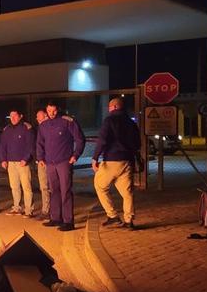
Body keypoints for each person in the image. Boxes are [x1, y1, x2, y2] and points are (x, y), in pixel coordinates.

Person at [92, 97, 141, 229]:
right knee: (127, 192)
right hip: (127, 161)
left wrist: (95, 157)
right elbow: (138, 143)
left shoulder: (109, 120)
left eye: (109, 107)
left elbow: (102, 140)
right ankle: (129, 220)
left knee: (100, 186)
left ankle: (113, 216)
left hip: (112, 160)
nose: (108, 109)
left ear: (114, 107)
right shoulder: (131, 123)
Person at [36, 102, 85, 232]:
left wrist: (76, 155)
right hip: (50, 163)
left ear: (58, 110)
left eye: (54, 111)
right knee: (54, 191)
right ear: (46, 110)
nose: (51, 113)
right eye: (49, 111)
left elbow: (80, 139)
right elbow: (40, 142)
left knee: (66, 191)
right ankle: (56, 218)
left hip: (64, 162)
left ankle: (68, 221)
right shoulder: (44, 125)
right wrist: (40, 158)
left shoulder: (67, 121)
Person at [0, 110, 35, 217]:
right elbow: (3, 146)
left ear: (20, 116)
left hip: (22, 163)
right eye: (11, 116)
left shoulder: (26, 128)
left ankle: (29, 210)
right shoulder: (7, 129)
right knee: (14, 186)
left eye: (15, 116)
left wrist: (26, 158)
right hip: (11, 162)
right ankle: (17, 207)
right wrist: (3, 160)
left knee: (26, 187)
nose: (13, 118)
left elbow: (30, 145)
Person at [34, 109, 52, 219]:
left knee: (49, 187)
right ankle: (46, 209)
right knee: (44, 187)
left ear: (45, 115)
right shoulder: (41, 128)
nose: (36, 118)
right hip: (42, 161)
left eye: (38, 116)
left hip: (49, 161)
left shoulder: (48, 127)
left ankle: (49, 210)